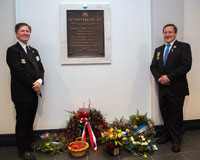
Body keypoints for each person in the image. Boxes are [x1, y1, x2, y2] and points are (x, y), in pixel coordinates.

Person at [150, 24, 192, 153]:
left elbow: (185, 66)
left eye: (170, 32)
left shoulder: (183, 47)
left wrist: (168, 77)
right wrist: (159, 78)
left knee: (176, 114)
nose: (167, 34)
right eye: (165, 32)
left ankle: (176, 140)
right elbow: (153, 67)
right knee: (165, 113)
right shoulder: (158, 50)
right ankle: (167, 136)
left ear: (175, 33)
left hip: (177, 88)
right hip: (163, 88)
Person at [6, 23, 44, 160]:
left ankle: (28, 145)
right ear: (17, 34)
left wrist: (39, 82)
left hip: (34, 93)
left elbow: (40, 69)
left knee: (30, 122)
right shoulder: (13, 51)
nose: (25, 33)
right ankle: (23, 151)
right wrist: (33, 84)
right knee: (22, 122)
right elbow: (18, 72)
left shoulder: (33, 51)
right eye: (22, 31)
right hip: (21, 94)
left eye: (27, 31)